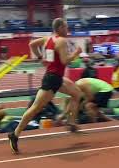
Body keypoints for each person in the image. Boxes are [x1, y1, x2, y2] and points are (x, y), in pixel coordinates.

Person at [8, 18, 82, 154]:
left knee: (77, 94)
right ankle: (15, 134)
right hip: (51, 80)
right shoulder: (61, 41)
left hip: (57, 78)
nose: (67, 30)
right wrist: (76, 53)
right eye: (65, 27)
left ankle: (71, 122)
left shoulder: (47, 39)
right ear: (59, 28)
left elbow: (31, 44)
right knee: (35, 108)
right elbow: (65, 61)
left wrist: (39, 57)